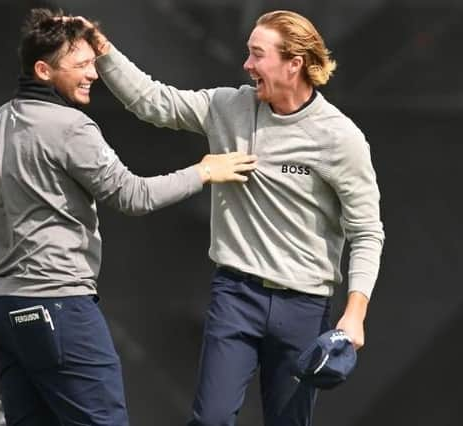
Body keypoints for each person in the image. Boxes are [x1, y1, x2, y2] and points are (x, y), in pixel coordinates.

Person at [0, 8, 256, 426]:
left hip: (3, 311)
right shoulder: (73, 127)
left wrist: (8, 236)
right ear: (43, 69)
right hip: (60, 308)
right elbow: (133, 196)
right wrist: (203, 171)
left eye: (94, 63)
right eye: (82, 65)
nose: (93, 74)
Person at [82, 9, 385, 425]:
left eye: (257, 55)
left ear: (294, 63)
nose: (247, 65)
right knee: (210, 420)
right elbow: (152, 102)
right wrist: (102, 50)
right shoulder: (229, 106)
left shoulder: (341, 137)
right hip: (235, 295)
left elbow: (367, 232)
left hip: (304, 306)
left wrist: (355, 314)